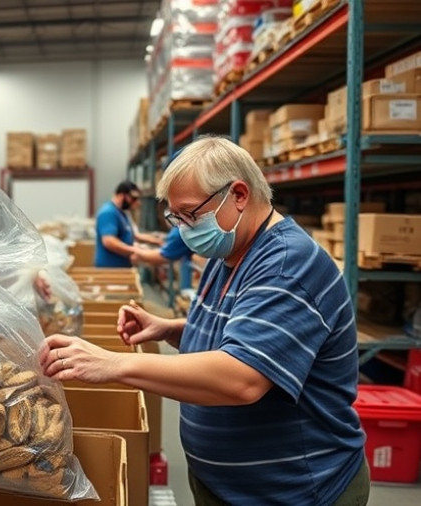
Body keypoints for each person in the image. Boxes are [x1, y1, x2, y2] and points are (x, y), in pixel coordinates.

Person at [41, 136, 369, 505]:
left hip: (292, 492)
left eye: (191, 214)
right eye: (175, 217)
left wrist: (112, 364)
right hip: (232, 484)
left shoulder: (285, 266)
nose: (184, 228)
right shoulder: (230, 252)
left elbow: (241, 379)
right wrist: (173, 329)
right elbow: (241, 334)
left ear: (239, 195)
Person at [94, 181, 161, 267]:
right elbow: (109, 241)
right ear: (122, 195)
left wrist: (158, 242)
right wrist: (135, 250)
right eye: (134, 198)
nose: (137, 203)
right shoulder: (108, 213)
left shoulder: (122, 213)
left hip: (121, 268)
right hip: (111, 270)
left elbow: (133, 235)